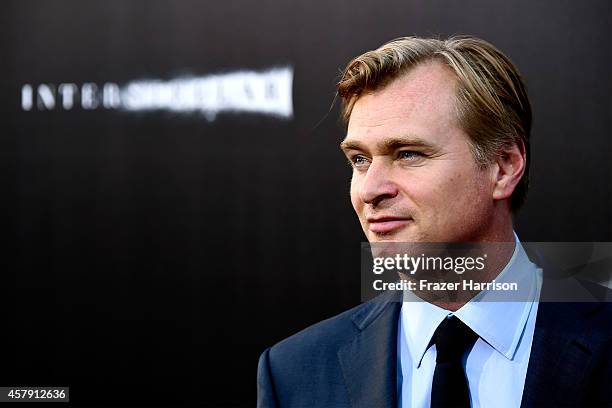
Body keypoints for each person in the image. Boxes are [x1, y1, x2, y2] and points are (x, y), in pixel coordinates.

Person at [257, 36, 611, 407]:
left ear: (503, 167)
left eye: (408, 154)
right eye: (359, 160)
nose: (370, 190)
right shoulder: (294, 373)